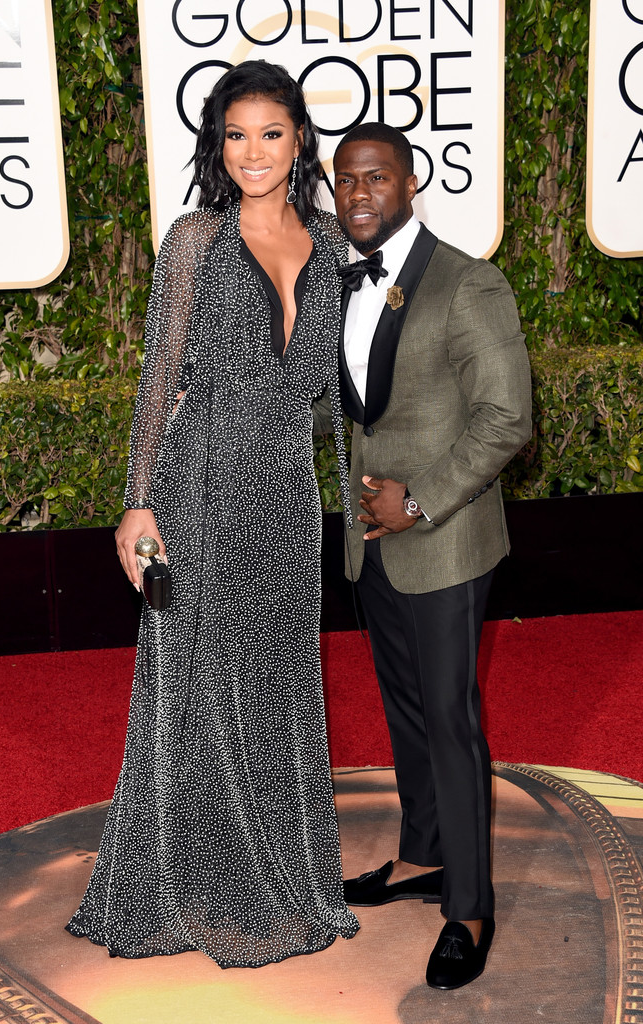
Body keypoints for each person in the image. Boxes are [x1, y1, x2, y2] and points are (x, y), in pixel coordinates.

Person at [66, 61, 359, 969]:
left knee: (277, 679)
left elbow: (339, 394)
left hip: (282, 487)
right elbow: (159, 379)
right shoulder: (195, 239)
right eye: (236, 135)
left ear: (300, 140)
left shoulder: (335, 245)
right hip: (198, 479)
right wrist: (137, 500)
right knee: (198, 681)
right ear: (217, 145)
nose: (253, 152)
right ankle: (197, 883)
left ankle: (286, 870)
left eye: (270, 133)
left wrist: (355, 500)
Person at [330, 122, 532, 989]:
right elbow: (350, 413)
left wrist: (416, 501)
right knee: (406, 710)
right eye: (345, 181)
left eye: (376, 178)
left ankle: (470, 907)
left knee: (450, 721)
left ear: (411, 184)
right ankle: (424, 855)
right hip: (368, 544)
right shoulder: (337, 282)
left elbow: (506, 419)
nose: (359, 195)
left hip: (444, 538)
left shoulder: (468, 283)